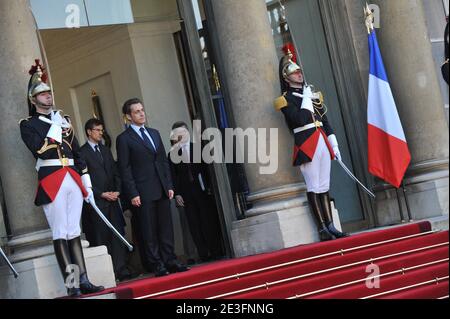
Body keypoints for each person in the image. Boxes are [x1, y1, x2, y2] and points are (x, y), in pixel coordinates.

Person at [19, 61, 104, 296]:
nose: (48, 97)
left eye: (48, 93)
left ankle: (84, 280)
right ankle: (72, 285)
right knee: (60, 232)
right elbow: (40, 150)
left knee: (74, 230)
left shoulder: (63, 119)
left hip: (72, 177)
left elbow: (77, 152)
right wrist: (55, 128)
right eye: (42, 94)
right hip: (52, 177)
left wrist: (86, 180)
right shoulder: (28, 125)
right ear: (33, 99)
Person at [274, 49, 348, 241]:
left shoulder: (312, 95)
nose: (299, 74)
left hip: (322, 140)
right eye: (294, 72)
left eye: (299, 71)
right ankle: (321, 228)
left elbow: (325, 121)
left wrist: (334, 144)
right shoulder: (285, 100)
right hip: (306, 142)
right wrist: (306, 97)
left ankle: (330, 225)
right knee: (313, 185)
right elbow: (300, 119)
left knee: (324, 185)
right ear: (287, 78)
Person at [116, 98, 189, 276]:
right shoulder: (123, 139)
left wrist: (169, 185)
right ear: (128, 117)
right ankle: (156, 264)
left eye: (142, 110)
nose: (142, 114)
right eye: (137, 111)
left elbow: (163, 162)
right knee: (149, 230)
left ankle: (170, 260)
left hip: (162, 188)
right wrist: (132, 193)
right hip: (142, 191)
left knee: (166, 228)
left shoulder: (154, 133)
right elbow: (124, 169)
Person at [80, 118, 133, 281]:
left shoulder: (105, 150)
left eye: (102, 130)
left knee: (117, 234)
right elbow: (83, 179)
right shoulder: (82, 153)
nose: (101, 133)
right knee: (102, 237)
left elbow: (115, 172)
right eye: (98, 130)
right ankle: (109, 271)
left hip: (112, 200)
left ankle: (121, 269)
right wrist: (101, 194)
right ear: (89, 131)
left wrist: (117, 191)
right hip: (98, 203)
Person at [168, 121, 223, 262]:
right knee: (194, 224)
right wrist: (177, 194)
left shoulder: (199, 148)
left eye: (184, 132)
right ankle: (203, 253)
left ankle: (216, 250)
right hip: (186, 193)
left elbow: (208, 170)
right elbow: (173, 176)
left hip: (203, 190)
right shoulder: (173, 154)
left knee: (208, 221)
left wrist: (211, 187)